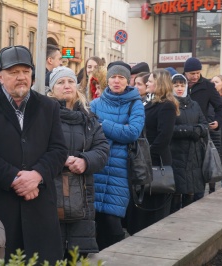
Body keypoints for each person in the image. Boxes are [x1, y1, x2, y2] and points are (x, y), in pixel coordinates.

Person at [0, 45, 68, 263]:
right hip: (1, 207)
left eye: (25, 71)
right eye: (14, 72)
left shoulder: (48, 106)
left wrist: (36, 175)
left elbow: (59, 149)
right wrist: (15, 179)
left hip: (40, 205)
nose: (21, 77)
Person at [47, 66, 109, 258]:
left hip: (82, 196)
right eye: (61, 82)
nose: (67, 86)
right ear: (52, 88)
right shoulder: (43, 115)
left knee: (77, 255)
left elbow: (102, 149)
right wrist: (60, 159)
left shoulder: (88, 118)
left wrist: (85, 161)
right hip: (50, 193)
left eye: (71, 81)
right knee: (51, 253)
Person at [90, 61, 145, 250]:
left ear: (128, 81)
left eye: (121, 77)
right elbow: (89, 132)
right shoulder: (95, 103)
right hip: (97, 167)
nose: (116, 81)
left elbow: (132, 133)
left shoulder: (135, 104)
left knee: (114, 222)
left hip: (120, 170)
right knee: (93, 220)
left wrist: (103, 124)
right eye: (113, 77)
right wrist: (118, 130)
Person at [127, 69, 179, 235]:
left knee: (154, 199)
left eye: (149, 81)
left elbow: (164, 137)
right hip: (146, 159)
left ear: (159, 84)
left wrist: (146, 156)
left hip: (156, 160)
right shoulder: (149, 103)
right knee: (144, 201)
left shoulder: (167, 106)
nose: (147, 83)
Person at [183, 57, 222, 200]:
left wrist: (217, 122)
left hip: (200, 134)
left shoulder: (207, 86)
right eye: (192, 73)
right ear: (185, 73)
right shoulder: (179, 84)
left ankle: (198, 198)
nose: (195, 76)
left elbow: (220, 108)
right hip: (181, 132)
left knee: (199, 169)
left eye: (197, 73)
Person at [170, 74, 208, 213]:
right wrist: (191, 130)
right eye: (176, 85)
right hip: (175, 154)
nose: (180, 88)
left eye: (182, 85)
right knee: (175, 193)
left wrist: (198, 130)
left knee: (191, 193)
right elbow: (170, 129)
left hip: (194, 155)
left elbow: (204, 125)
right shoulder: (169, 104)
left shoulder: (194, 104)